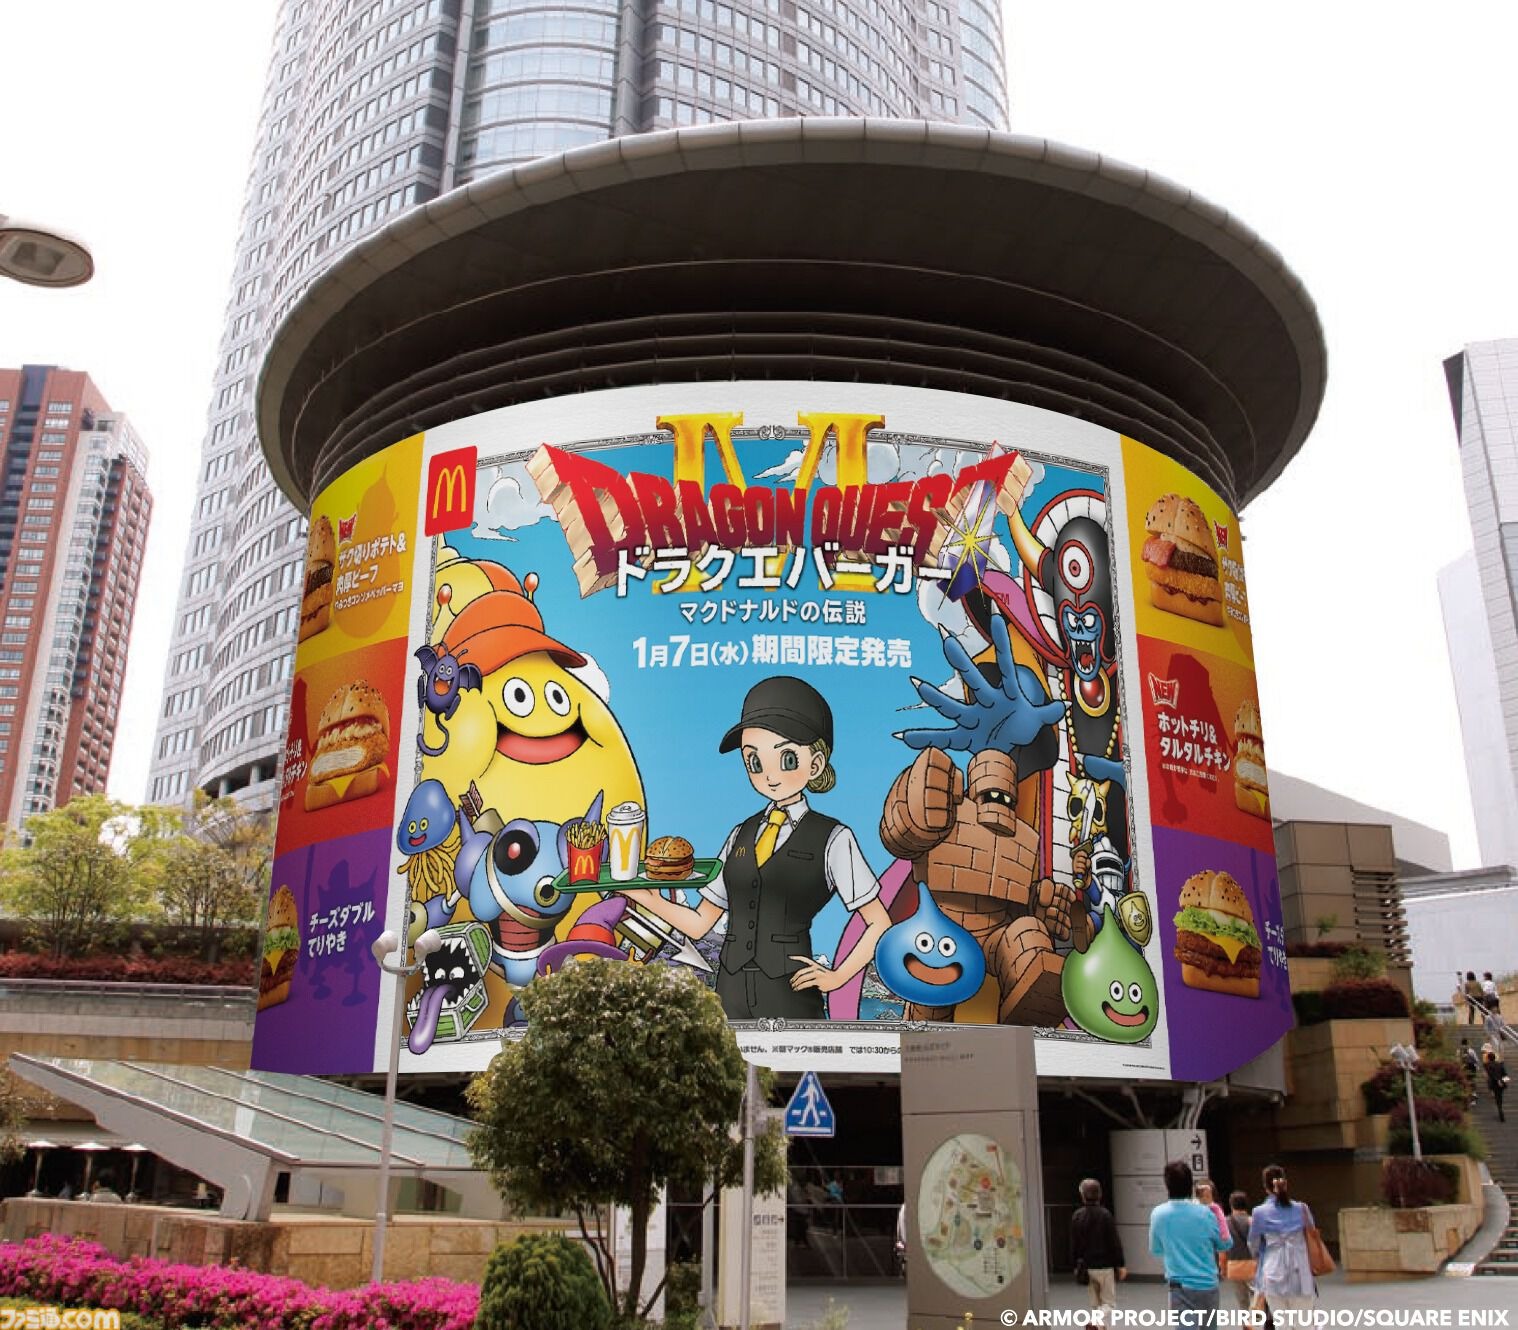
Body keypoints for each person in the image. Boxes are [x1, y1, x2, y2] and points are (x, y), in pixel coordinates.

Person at [624, 677, 892, 1020]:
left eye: (788, 759)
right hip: (730, 990)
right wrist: (646, 897)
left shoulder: (834, 838)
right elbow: (701, 923)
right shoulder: (741, 834)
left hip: (790, 993)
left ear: (815, 764)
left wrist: (837, 977)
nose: (769, 775)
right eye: (754, 761)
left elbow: (879, 922)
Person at [1149, 1159, 1228, 1324]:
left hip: (1179, 1286)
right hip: (1208, 1284)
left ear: (1167, 1185)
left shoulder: (1158, 1214)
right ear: (1191, 1185)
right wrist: (1216, 1210)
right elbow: (1225, 1244)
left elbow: (1156, 1249)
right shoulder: (1206, 1213)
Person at [1249, 1165, 1317, 1317]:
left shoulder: (1259, 1212)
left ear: (1266, 1187)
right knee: (1304, 1324)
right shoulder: (1302, 1209)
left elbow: (1253, 1244)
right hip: (1301, 1273)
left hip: (1273, 1273)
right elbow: (1312, 1235)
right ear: (1285, 1183)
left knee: (1281, 1324)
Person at [1070, 1178, 1126, 1326]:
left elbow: (1074, 1243)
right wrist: (1120, 1264)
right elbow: (1114, 1242)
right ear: (1100, 1195)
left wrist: (1075, 1264)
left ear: (1082, 1195)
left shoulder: (1077, 1216)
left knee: (1096, 1305)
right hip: (1105, 1266)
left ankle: (1098, 1326)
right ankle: (1094, 1322)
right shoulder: (1105, 1215)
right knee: (1109, 1304)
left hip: (1087, 1266)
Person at [1223, 1192, 1255, 1311]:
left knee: (1242, 1301)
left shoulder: (1225, 1223)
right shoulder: (1252, 1221)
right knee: (1257, 1298)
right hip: (1253, 1266)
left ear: (1231, 1205)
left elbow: (1223, 1248)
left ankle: (1245, 1321)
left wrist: (1223, 1267)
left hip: (1234, 1266)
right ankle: (1258, 1319)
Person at [1485, 1046, 1509, 1122]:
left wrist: (1498, 1080)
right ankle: (1500, 1110)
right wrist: (1503, 1081)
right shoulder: (1500, 1065)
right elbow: (1505, 1074)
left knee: (1497, 1098)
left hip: (1494, 1084)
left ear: (1489, 1058)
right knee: (1499, 1097)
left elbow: (1491, 1074)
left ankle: (1500, 1111)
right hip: (1501, 1084)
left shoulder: (1488, 1065)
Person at [1460, 1039, 1482, 1105]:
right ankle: (1473, 1096)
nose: (1464, 1047)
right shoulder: (1471, 1051)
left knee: (1469, 1082)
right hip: (1470, 1068)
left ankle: (1472, 1097)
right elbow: (1476, 1060)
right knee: (1471, 1082)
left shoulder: (1461, 1051)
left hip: (1467, 1068)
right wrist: (1477, 1067)